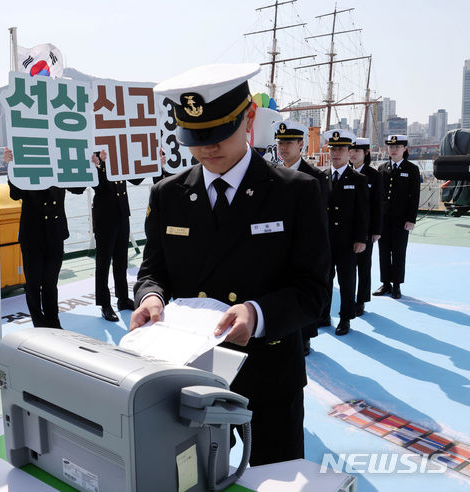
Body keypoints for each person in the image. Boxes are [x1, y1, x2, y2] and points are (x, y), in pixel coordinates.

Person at [130, 63, 331, 466]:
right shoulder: (168, 194)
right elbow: (154, 269)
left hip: (269, 373)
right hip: (188, 375)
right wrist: (151, 297)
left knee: (275, 475)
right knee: (192, 475)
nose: (207, 148)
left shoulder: (297, 192)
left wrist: (256, 314)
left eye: (220, 132)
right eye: (195, 138)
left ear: (249, 119)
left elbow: (313, 291)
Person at [4, 148, 82, 329]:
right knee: (33, 284)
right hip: (33, 235)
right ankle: (39, 324)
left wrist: (91, 167)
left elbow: (77, 188)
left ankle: (53, 322)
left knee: (50, 282)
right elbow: (15, 194)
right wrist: (11, 165)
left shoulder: (61, 165)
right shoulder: (26, 164)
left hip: (55, 234)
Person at [273, 120, 330, 354]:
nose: (283, 147)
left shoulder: (316, 177)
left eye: (288, 142)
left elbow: (321, 217)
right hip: (277, 245)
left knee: (302, 290)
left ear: (301, 144)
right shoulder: (271, 174)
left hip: (304, 245)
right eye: (279, 142)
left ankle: (306, 337)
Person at [320, 130, 369, 336]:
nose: (336, 153)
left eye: (341, 149)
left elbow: (363, 213)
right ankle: (323, 314)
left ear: (349, 152)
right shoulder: (321, 177)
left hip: (348, 240)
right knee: (324, 278)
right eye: (333, 149)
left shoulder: (358, 179)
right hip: (326, 240)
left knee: (347, 280)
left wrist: (361, 239)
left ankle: (345, 318)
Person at [90, 149, 140, 321]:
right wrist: (99, 165)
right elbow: (98, 186)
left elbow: (137, 179)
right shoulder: (95, 154)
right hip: (105, 216)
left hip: (122, 213)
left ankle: (123, 298)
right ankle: (104, 304)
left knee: (121, 259)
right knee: (103, 262)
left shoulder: (120, 152)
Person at [373, 135, 420, 299]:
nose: (393, 150)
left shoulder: (411, 169)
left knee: (399, 251)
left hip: (401, 219)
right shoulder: (382, 168)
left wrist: (411, 219)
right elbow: (378, 196)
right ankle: (386, 283)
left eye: (397, 147)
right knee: (384, 251)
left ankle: (397, 285)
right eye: (390, 147)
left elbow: (414, 197)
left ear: (404, 149)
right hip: (384, 218)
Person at [349, 137, 383, 315]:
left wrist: (376, 230)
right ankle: (348, 299)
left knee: (363, 266)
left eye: (357, 151)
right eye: (351, 150)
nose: (353, 154)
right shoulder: (344, 173)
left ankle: (361, 300)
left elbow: (378, 204)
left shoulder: (374, 175)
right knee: (347, 268)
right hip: (347, 229)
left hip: (366, 230)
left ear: (366, 153)